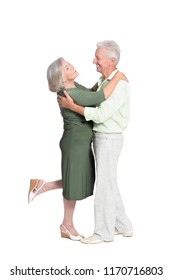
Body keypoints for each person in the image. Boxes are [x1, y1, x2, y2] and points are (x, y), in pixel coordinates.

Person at [28, 56, 126, 241]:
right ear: (61, 78)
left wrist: (102, 81)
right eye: (67, 67)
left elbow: (91, 92)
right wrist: (117, 77)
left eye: (69, 64)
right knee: (75, 183)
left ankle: (43, 186)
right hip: (75, 144)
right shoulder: (69, 93)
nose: (72, 66)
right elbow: (99, 97)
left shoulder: (74, 88)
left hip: (80, 143)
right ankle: (67, 225)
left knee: (82, 181)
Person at [58, 40, 133, 244]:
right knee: (109, 183)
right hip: (102, 138)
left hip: (108, 138)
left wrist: (74, 108)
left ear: (112, 60)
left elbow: (101, 114)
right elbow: (93, 95)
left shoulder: (120, 84)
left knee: (104, 186)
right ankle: (123, 225)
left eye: (98, 58)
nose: (94, 61)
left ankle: (103, 233)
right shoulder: (105, 81)